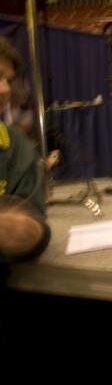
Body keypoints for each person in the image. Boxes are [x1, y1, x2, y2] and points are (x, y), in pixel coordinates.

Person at [0, 37, 48, 261]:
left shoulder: (15, 144)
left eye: (8, 80)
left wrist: (29, 231)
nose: (5, 90)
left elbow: (32, 221)